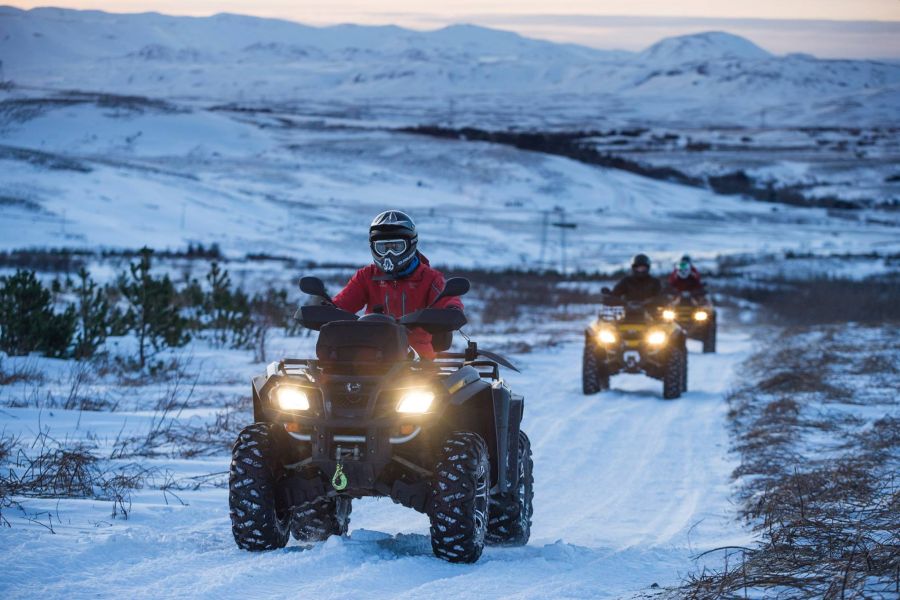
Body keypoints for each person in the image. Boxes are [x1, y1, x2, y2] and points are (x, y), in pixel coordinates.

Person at [332, 210, 463, 359]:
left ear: (411, 245)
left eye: (396, 247)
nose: (389, 254)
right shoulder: (366, 276)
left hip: (418, 360)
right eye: (383, 248)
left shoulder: (430, 278)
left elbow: (446, 299)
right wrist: (326, 308)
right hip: (372, 357)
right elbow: (342, 304)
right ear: (373, 247)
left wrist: (452, 309)